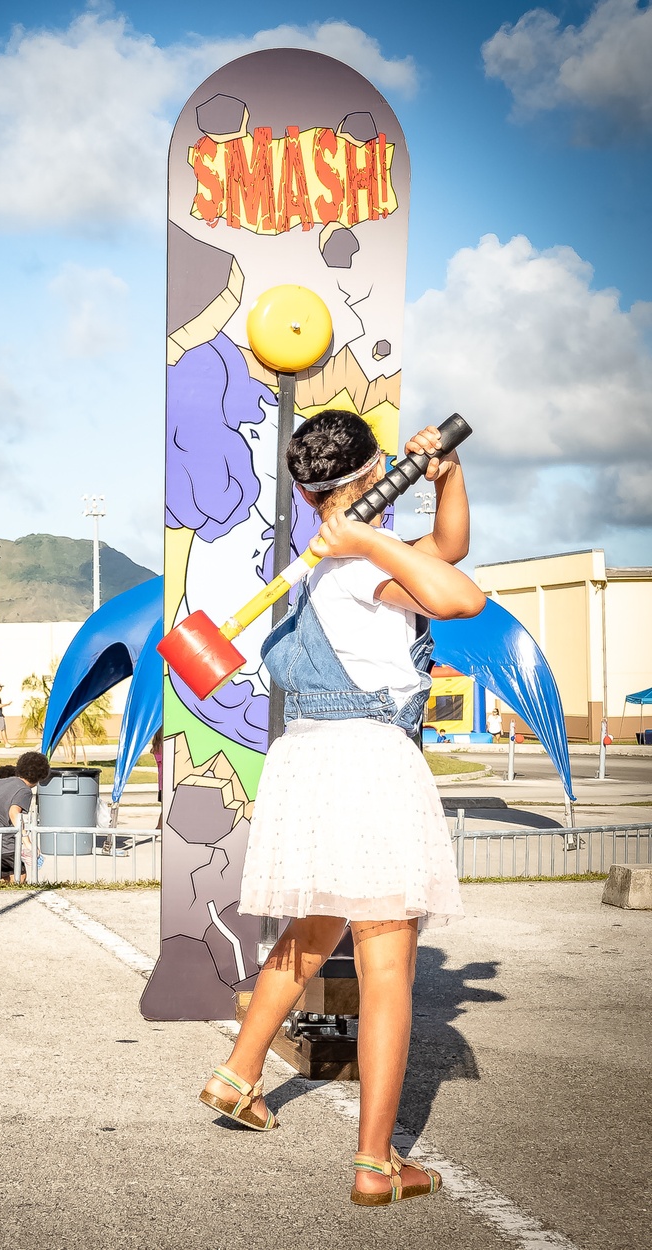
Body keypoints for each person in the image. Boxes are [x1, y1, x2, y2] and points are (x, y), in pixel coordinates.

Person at [198, 415, 485, 1207]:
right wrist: (372, 541)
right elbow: (464, 595)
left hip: (310, 760)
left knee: (313, 930)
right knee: (387, 967)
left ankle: (238, 1075)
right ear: (368, 479)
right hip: (365, 760)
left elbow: (448, 549)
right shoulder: (358, 564)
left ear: (303, 489)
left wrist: (446, 478)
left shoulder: (322, 566)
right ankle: (376, 1164)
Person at [0, 751, 51, 882]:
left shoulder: (0, 782)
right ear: (41, 776)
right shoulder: (24, 790)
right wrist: (28, 843)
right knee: (19, 876)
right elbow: (14, 813)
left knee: (5, 875)